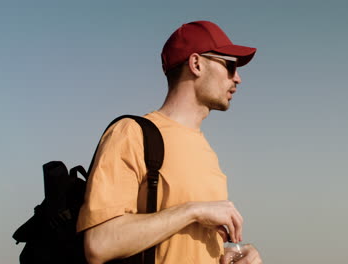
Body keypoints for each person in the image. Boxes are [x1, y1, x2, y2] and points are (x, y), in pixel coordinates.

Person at [77, 20, 262, 264]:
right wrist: (193, 211)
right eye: (230, 66)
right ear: (196, 64)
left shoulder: (206, 151)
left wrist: (230, 255)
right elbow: (99, 243)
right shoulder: (131, 133)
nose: (237, 78)